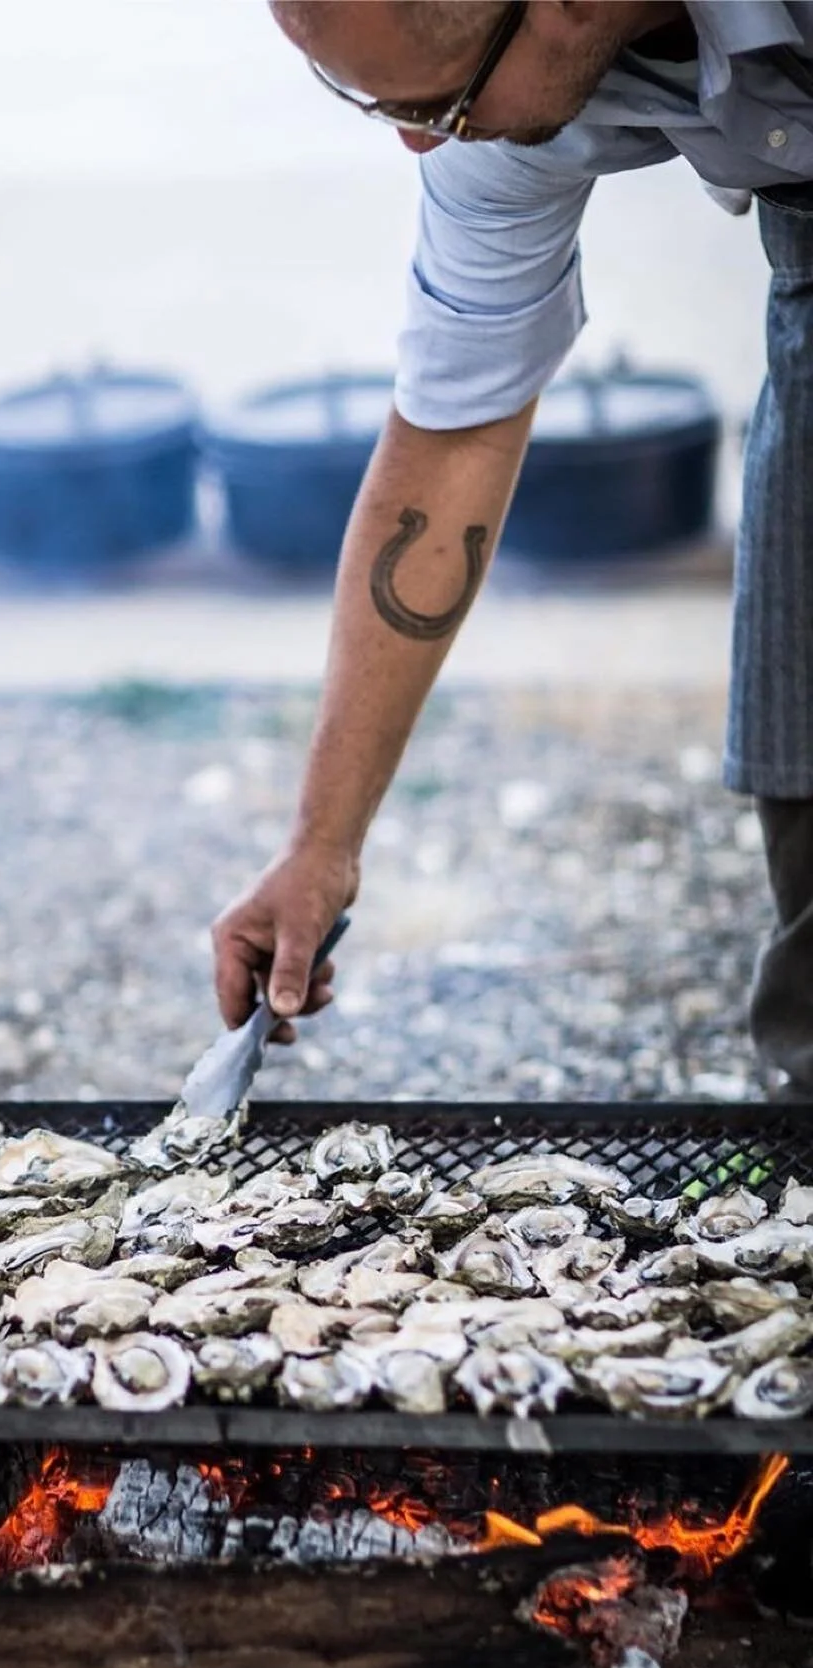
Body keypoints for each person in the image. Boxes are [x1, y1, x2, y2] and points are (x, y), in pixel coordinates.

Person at [211, 0, 813, 1100]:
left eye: (433, 104)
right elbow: (453, 438)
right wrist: (320, 847)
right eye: (375, 103)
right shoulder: (493, 114)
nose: (417, 142)